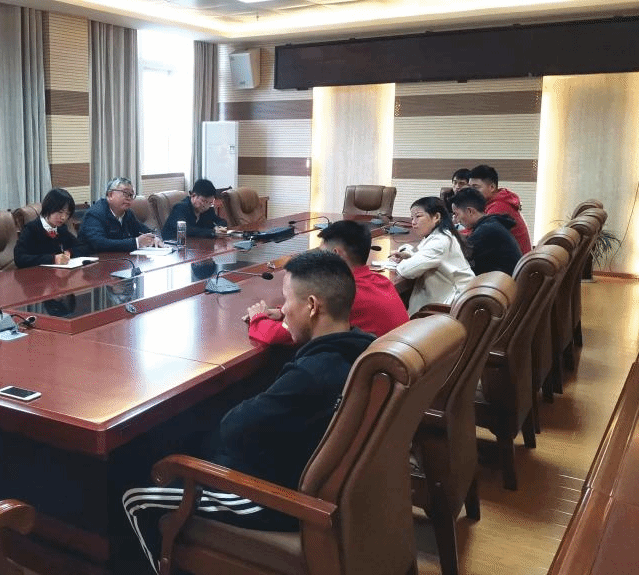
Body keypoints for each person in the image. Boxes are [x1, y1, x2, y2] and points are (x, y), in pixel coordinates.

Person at [122, 251, 377, 573]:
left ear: (312, 306)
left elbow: (233, 430)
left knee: (135, 498)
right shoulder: (363, 349)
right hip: (314, 484)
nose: (283, 310)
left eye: (287, 300)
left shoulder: (311, 375)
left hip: (276, 498)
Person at [244, 220, 409, 344]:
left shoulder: (345, 294)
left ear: (336, 254)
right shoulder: (381, 281)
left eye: (321, 253)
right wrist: (283, 312)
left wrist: (257, 317)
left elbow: (278, 335)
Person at [390, 197, 474, 315]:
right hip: (450, 301)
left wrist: (403, 263)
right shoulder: (441, 235)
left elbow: (406, 271)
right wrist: (409, 256)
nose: (413, 222)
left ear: (436, 217)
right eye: (412, 218)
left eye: (418, 216)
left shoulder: (440, 241)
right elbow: (426, 257)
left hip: (450, 307)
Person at [451, 187, 523, 275]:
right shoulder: (491, 224)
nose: (457, 220)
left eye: (456, 214)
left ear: (470, 211)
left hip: (501, 281)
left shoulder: (486, 231)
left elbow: (462, 256)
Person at [77, 177, 159, 253]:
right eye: (125, 193)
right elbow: (98, 243)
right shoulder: (95, 214)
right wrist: (136, 242)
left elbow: (144, 230)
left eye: (131, 195)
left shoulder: (128, 213)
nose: (129, 198)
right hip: (94, 260)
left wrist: (154, 238)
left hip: (120, 259)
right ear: (110, 195)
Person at [468, 164, 532, 254]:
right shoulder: (493, 203)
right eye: (470, 187)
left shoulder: (499, 207)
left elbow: (478, 234)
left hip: (516, 261)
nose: (471, 192)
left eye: (475, 187)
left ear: (492, 187)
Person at [14, 188, 82, 268]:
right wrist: (53, 259)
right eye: (60, 212)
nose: (63, 217)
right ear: (48, 208)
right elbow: (19, 258)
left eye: (67, 213)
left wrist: (69, 252)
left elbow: (82, 246)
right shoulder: (31, 229)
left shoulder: (61, 229)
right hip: (37, 273)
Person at [160, 178, 228, 240]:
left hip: (196, 245)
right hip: (173, 245)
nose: (206, 206)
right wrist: (211, 232)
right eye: (204, 201)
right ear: (194, 195)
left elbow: (222, 222)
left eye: (210, 202)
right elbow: (188, 230)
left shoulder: (208, 210)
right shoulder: (180, 208)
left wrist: (218, 228)